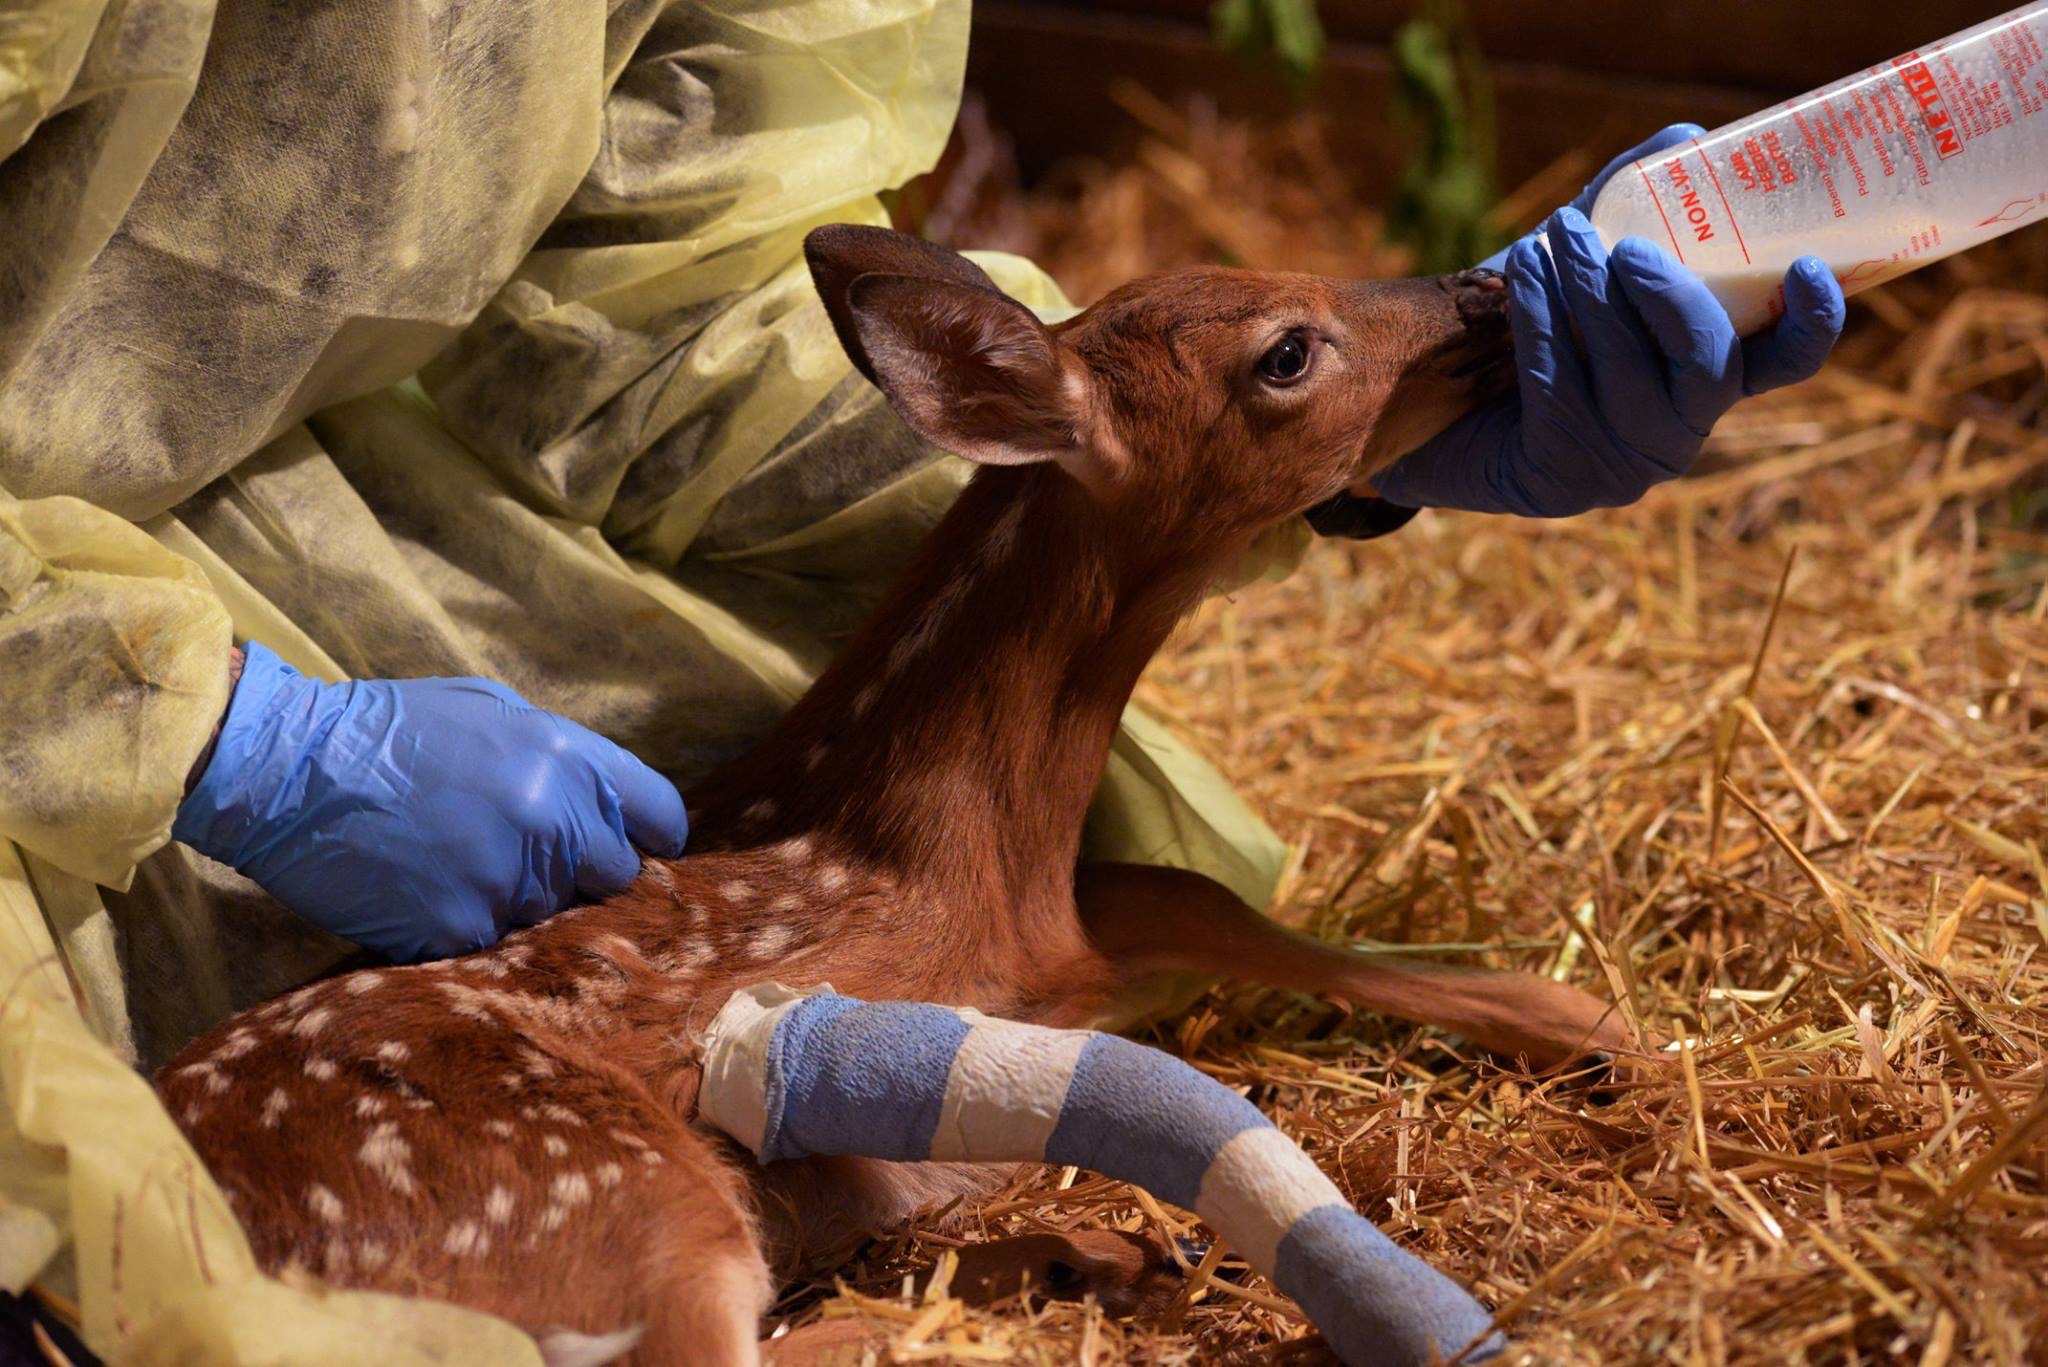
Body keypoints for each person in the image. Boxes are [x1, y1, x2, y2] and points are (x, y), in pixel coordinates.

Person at [0, 1, 1842, 1356]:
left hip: (409, 572)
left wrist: (1384, 437)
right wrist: (225, 730)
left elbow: (673, 311)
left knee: (1014, 815)